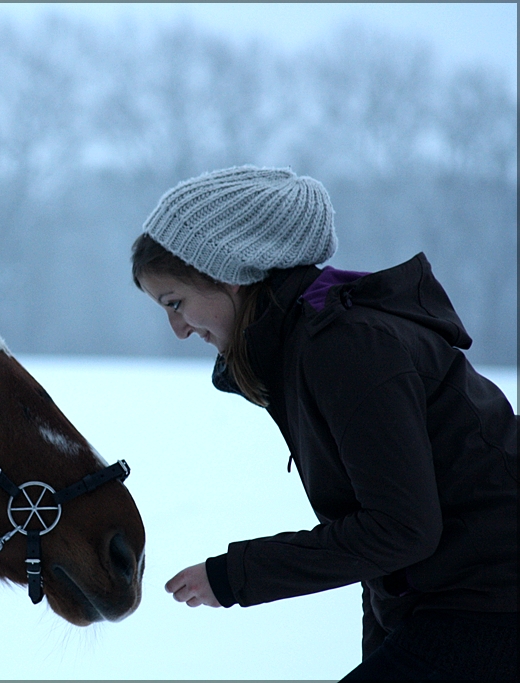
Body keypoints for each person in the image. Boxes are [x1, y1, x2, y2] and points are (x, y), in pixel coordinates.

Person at [132, 166, 517, 680]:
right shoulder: (308, 345)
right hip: (457, 603)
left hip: (492, 602)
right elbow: (388, 544)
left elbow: (400, 529)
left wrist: (234, 577)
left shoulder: (349, 347)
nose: (179, 329)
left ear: (230, 274)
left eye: (175, 303)